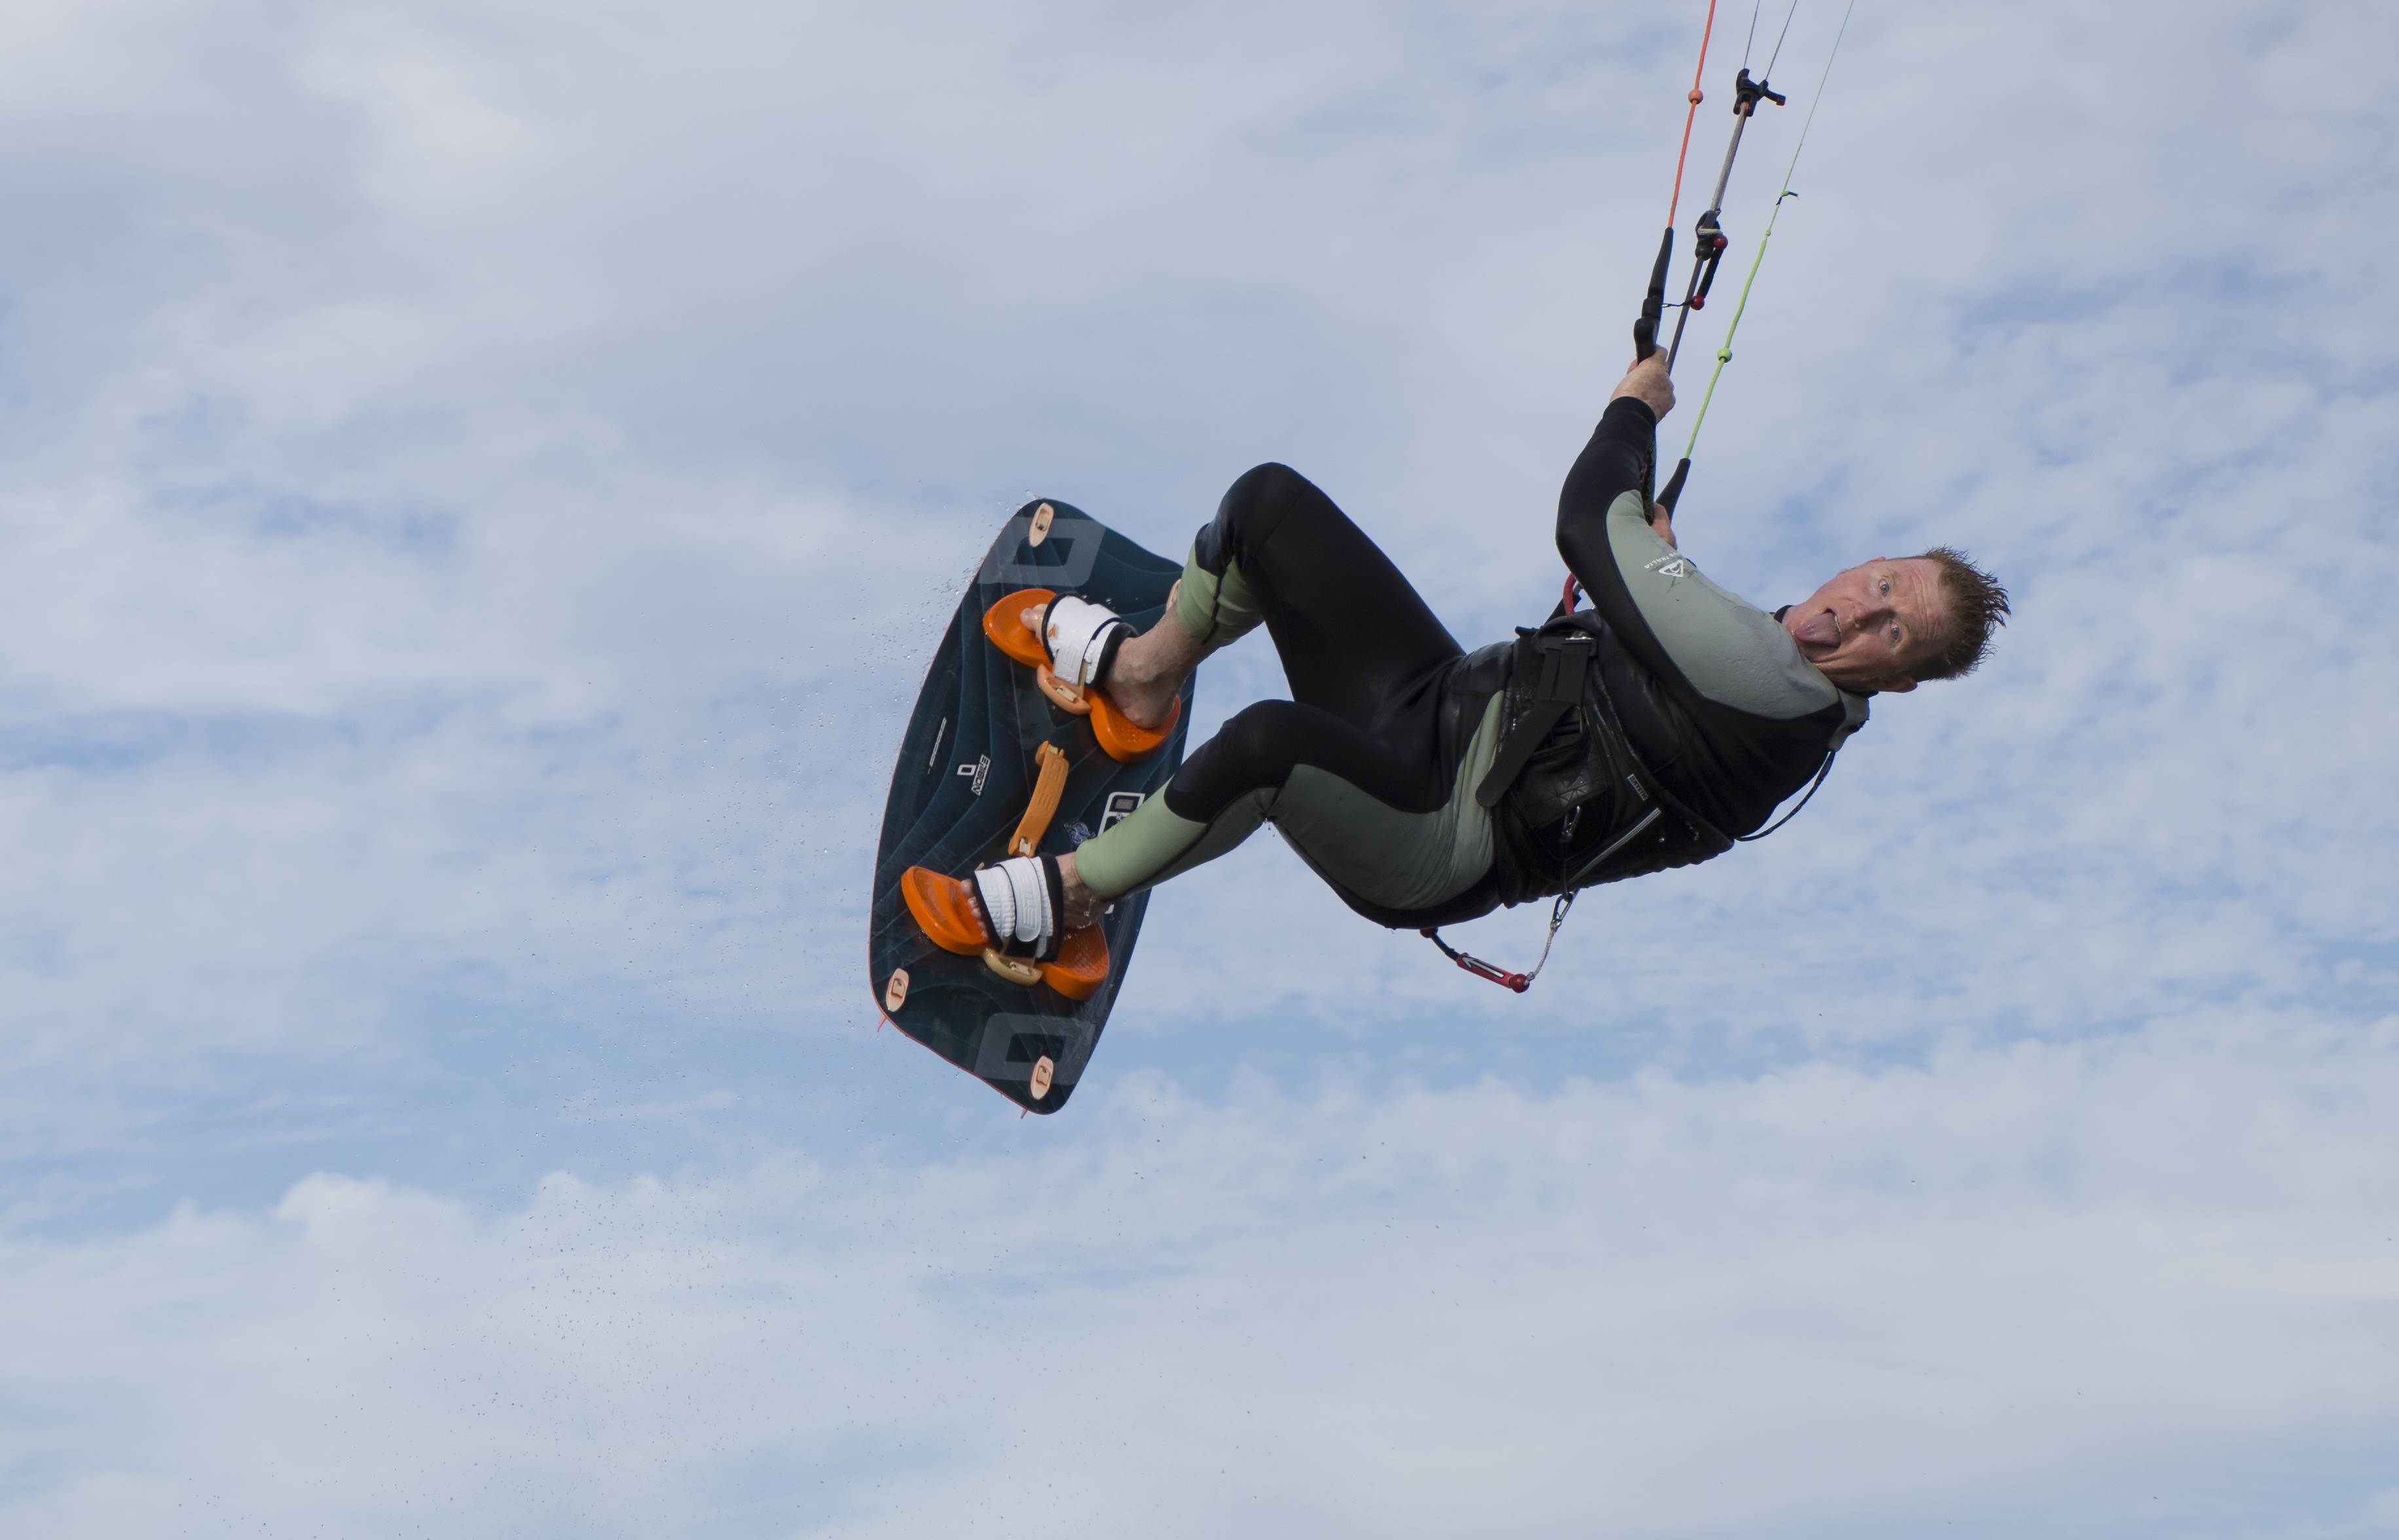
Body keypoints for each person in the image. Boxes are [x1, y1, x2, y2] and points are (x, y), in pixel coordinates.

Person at [902, 350, 2008, 976]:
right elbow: (1666, 628)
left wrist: (1633, 409)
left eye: (1891, 631)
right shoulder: (1761, 660)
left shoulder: (1777, 691)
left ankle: (1063, 904)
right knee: (1270, 507)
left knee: (1267, 746)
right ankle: (1142, 681)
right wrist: (1655, 568)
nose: (1857, 614)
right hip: (1435, 707)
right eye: (1881, 583)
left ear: (1897, 681)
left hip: (1437, 837)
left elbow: (1586, 520)